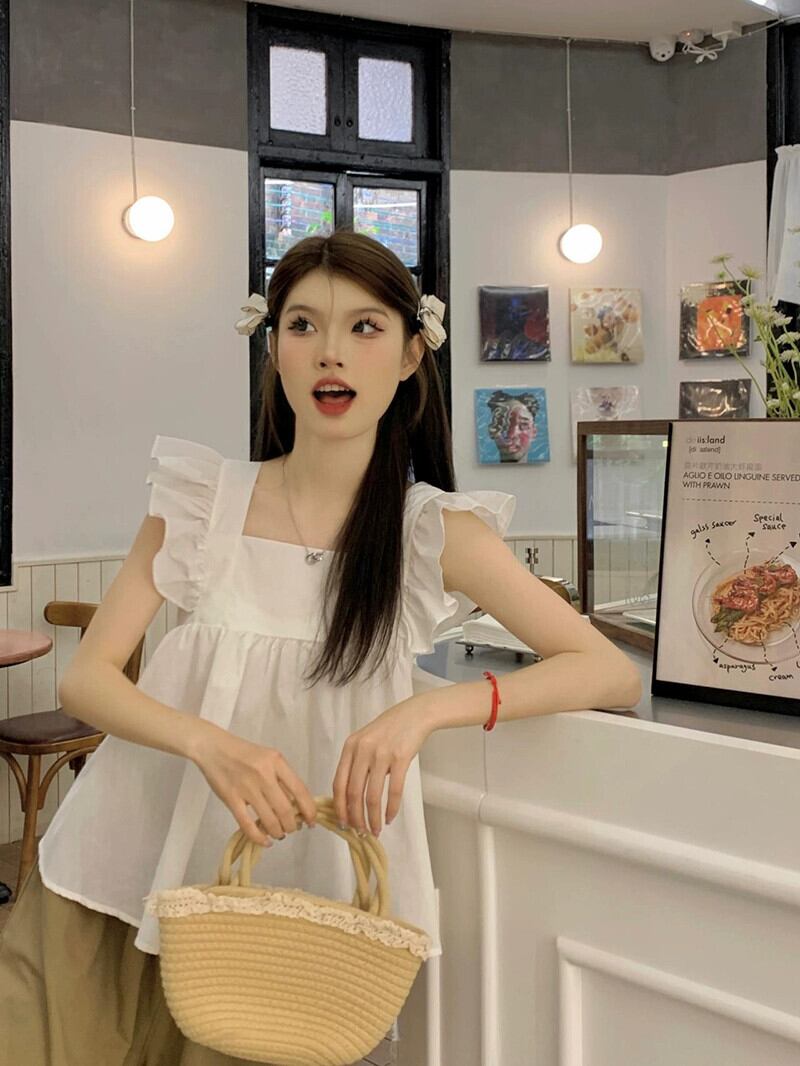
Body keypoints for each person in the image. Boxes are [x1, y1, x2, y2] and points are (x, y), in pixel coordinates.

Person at [0, 229, 641, 1065]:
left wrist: (426, 713)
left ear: (411, 355)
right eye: (302, 325)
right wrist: (210, 745)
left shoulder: (432, 533)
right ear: (274, 348)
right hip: (117, 866)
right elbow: (87, 679)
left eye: (364, 327)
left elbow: (609, 673)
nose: (330, 352)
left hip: (285, 913)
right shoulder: (202, 502)